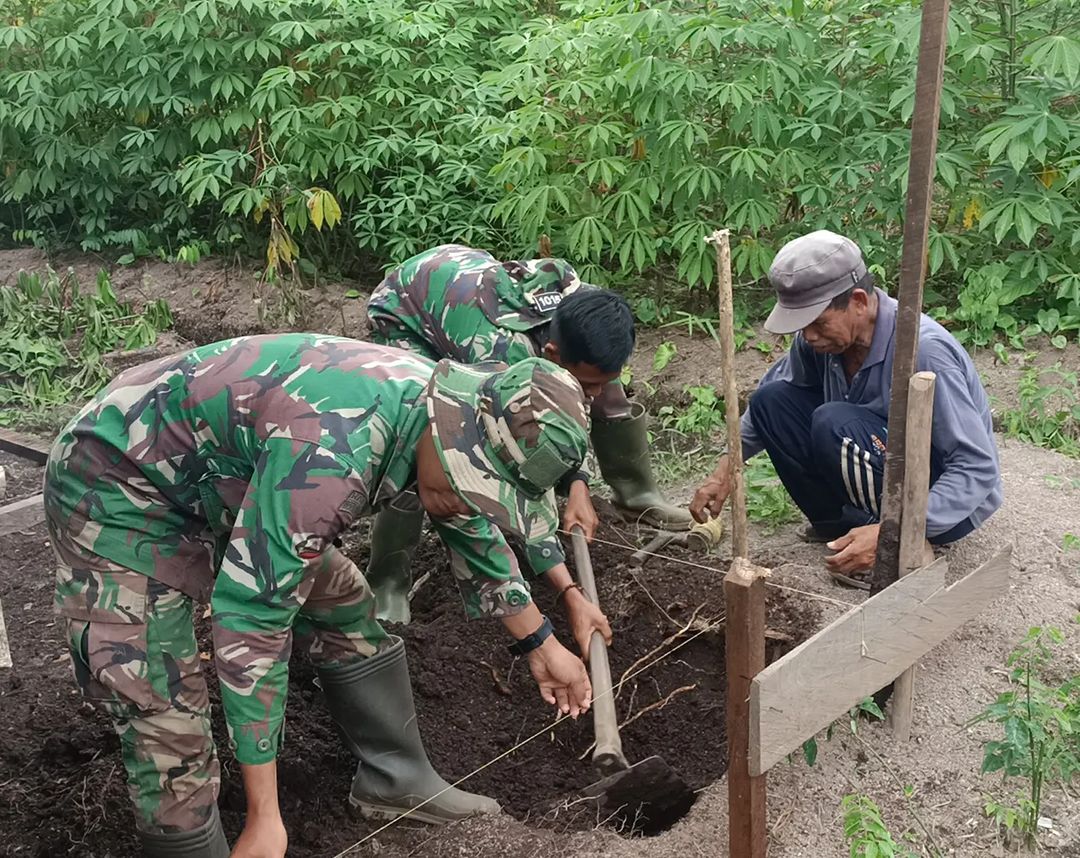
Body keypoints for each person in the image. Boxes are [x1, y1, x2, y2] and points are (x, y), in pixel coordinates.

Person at [45, 332, 600, 858]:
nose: (471, 501)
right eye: (472, 483)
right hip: (116, 487)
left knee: (342, 600)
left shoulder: (446, 413)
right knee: (162, 706)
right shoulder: (334, 452)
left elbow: (464, 513)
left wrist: (540, 643)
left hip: (220, 477)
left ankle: (396, 781)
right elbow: (252, 615)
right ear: (455, 434)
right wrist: (266, 813)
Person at [364, 243, 691, 622]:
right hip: (407, 308)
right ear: (550, 354)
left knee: (602, 387)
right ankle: (386, 582)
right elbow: (506, 434)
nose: (592, 393)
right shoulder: (498, 352)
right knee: (423, 444)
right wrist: (551, 548)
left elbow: (571, 404)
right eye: (584, 384)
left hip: (469, 279)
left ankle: (635, 495)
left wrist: (579, 485)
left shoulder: (584, 305)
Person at [690, 230, 1002, 584]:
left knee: (833, 420)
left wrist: (894, 531)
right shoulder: (819, 343)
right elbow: (773, 404)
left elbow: (976, 466)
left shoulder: (924, 351)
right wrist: (724, 473)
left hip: (937, 499)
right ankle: (842, 531)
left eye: (818, 323)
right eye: (802, 326)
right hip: (874, 458)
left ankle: (891, 547)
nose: (808, 336)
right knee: (770, 401)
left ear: (857, 301)